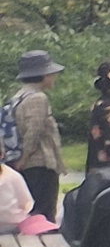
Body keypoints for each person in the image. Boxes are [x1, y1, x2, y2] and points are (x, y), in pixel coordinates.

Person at [11, 49, 62, 222]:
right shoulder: (38, 98)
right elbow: (34, 131)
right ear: (42, 75)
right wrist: (24, 158)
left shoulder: (18, 96)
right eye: (51, 73)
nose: (54, 77)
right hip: (40, 164)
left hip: (27, 166)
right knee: (43, 214)